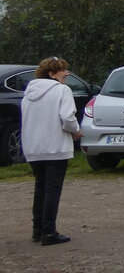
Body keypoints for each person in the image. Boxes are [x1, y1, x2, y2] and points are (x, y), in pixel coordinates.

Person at [21, 56, 82, 246]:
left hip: (33, 147)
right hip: (55, 147)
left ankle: (37, 229)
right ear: (51, 73)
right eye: (62, 70)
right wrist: (76, 131)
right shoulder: (62, 90)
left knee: (40, 187)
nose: (66, 73)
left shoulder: (28, 93)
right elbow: (67, 117)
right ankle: (49, 232)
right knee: (53, 189)